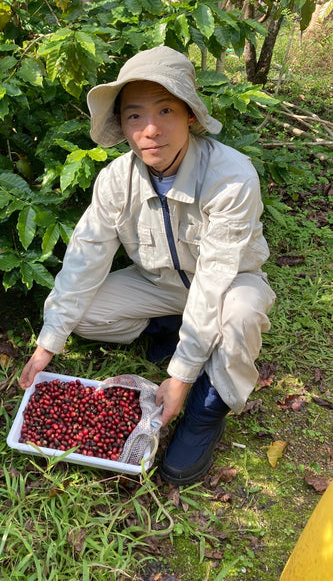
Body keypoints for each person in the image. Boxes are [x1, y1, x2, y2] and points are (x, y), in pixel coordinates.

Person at [19, 46, 275, 485]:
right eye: (135, 116)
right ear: (122, 125)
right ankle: (169, 330)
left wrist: (179, 377)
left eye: (166, 111)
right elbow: (85, 257)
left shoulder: (231, 176)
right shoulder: (116, 179)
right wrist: (49, 341)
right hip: (159, 284)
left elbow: (213, 280)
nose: (151, 130)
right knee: (86, 313)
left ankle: (207, 410)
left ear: (190, 116)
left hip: (231, 282)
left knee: (239, 315)